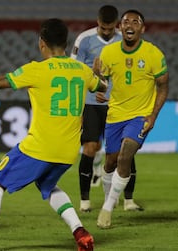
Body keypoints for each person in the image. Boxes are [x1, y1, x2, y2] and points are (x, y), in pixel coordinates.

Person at [0, 18, 108, 251]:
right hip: (67, 151)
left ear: (41, 43)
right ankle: (81, 233)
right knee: (47, 185)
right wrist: (100, 77)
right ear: (65, 42)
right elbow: (102, 86)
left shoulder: (36, 69)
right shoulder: (82, 70)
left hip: (40, 147)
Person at [96, 9, 169, 229]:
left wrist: (153, 114)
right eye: (126, 21)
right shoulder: (108, 54)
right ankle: (112, 196)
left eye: (135, 22)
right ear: (120, 27)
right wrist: (99, 86)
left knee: (126, 153)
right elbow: (102, 80)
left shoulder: (153, 54)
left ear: (142, 28)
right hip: (115, 115)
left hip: (140, 116)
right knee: (109, 161)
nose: (130, 25)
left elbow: (163, 86)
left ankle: (107, 208)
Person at [71, 5, 142, 212]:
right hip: (92, 104)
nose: (107, 32)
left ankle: (128, 200)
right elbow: (75, 72)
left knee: (126, 149)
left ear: (116, 25)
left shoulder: (124, 40)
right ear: (98, 22)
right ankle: (85, 200)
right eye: (103, 28)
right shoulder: (84, 39)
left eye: (111, 29)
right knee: (90, 147)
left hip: (118, 104)